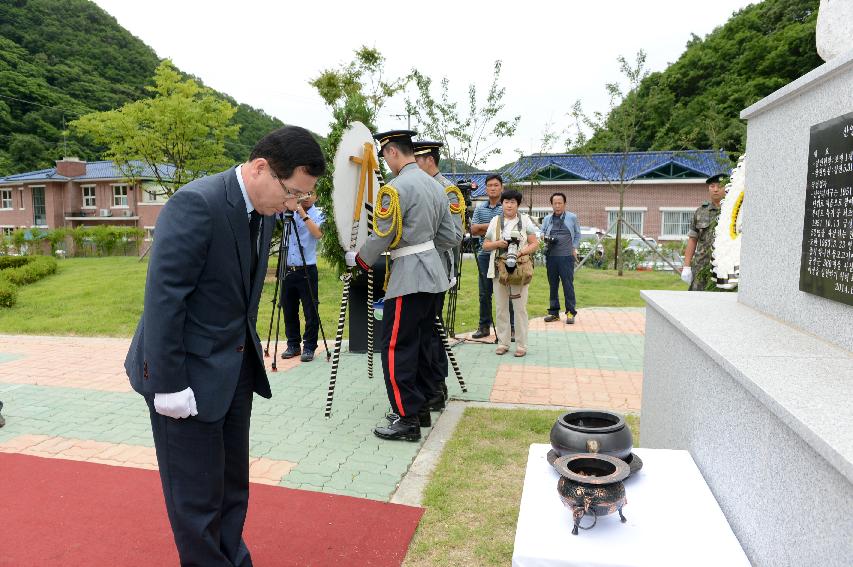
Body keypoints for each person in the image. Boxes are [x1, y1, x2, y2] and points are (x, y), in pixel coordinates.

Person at [124, 126, 325, 566]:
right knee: (195, 498)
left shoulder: (266, 209)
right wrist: (168, 385)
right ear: (260, 169)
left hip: (233, 369)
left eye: (301, 199)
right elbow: (164, 299)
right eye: (293, 193)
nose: (293, 206)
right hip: (185, 376)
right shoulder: (197, 203)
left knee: (232, 487)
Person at [347, 130, 459, 442]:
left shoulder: (394, 189)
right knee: (422, 342)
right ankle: (420, 405)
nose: (386, 162)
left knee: (396, 347)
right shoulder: (437, 187)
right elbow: (451, 237)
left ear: (393, 153)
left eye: (385, 156)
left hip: (409, 276)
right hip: (433, 274)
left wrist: (359, 260)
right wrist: (424, 245)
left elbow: (383, 234)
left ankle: (407, 417)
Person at [412, 140, 465, 411]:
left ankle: (436, 387)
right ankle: (427, 385)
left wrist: (421, 244)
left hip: (438, 270)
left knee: (432, 331)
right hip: (417, 271)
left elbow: (455, 237)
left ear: (428, 160)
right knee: (423, 331)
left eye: (416, 159)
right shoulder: (418, 187)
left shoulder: (448, 191)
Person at [482, 189, 538, 357]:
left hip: (519, 270)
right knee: (501, 308)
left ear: (518, 204)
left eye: (513, 202)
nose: (509, 205)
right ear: (502, 203)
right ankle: (503, 343)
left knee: (520, 309)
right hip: (499, 269)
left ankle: (521, 345)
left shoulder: (525, 221)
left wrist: (520, 252)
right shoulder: (495, 221)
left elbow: (535, 243)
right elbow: (485, 245)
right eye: (506, 202)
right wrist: (498, 243)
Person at [279, 190, 324, 362]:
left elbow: (318, 233)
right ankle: (293, 345)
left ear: (317, 196)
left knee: (310, 309)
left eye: (311, 193)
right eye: (303, 192)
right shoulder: (287, 211)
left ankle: (310, 346)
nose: (306, 196)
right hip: (287, 267)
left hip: (307, 267)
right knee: (288, 308)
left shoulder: (319, 213)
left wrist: (301, 212)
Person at [470, 174, 514, 339]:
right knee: (484, 293)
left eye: (496, 185)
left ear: (501, 187)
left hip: (503, 254)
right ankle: (484, 326)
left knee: (506, 291)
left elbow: (508, 227)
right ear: (486, 188)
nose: (493, 188)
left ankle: (511, 327)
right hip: (485, 254)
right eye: (489, 185)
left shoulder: (507, 206)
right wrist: (494, 225)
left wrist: (485, 228)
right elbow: (474, 230)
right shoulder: (480, 208)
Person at [682, 173, 727, 291]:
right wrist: (686, 266)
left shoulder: (733, 211)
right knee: (697, 302)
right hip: (701, 266)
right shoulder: (700, 211)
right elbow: (692, 239)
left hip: (725, 267)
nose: (716, 190)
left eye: (719, 186)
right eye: (712, 186)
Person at [541, 192, 581, 324]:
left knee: (567, 285)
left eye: (560, 203)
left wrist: (574, 248)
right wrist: (544, 237)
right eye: (555, 203)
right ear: (551, 204)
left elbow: (577, 234)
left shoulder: (572, 217)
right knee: (553, 285)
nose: (557, 206)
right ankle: (553, 313)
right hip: (551, 257)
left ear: (565, 204)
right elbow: (542, 232)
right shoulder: (547, 219)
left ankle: (570, 312)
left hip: (566, 257)